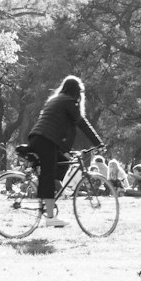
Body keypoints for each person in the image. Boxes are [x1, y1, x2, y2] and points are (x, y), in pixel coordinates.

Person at [26, 75, 104, 227]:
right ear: (76, 91)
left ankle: (52, 192)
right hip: (46, 140)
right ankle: (50, 217)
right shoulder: (69, 101)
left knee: (63, 162)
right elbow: (81, 123)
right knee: (48, 177)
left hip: (39, 138)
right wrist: (98, 143)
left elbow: (60, 128)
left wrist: (65, 149)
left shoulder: (55, 99)